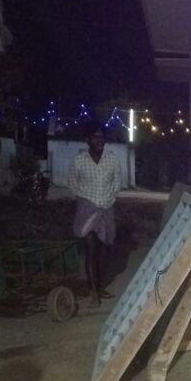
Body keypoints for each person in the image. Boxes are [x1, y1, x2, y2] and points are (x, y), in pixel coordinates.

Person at [68, 122, 120, 307]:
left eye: (102, 137)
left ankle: (100, 286)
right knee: (91, 249)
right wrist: (86, 201)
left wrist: (106, 200)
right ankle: (94, 293)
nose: (100, 140)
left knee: (105, 250)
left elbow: (117, 184)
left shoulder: (112, 159)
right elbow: (72, 184)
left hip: (106, 209)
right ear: (88, 140)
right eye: (96, 137)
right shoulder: (79, 160)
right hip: (87, 210)